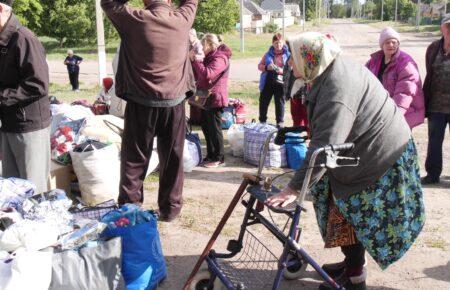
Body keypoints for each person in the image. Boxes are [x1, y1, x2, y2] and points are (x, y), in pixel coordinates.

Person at [267, 32, 425, 290]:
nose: (291, 64)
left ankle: (355, 278)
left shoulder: (337, 84)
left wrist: (293, 188)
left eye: (294, 59)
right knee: (336, 203)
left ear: (310, 58)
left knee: (346, 206)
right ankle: (352, 263)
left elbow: (325, 146)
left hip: (380, 157)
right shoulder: (327, 69)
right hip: (365, 149)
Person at [101, 0, 198, 222]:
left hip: (141, 103)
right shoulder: (182, 19)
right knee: (172, 158)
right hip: (174, 103)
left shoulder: (134, 19)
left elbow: (108, 3)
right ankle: (170, 209)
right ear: (170, 1)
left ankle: (130, 208)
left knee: (134, 159)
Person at [0, 0, 51, 193]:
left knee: (32, 190)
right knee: (12, 190)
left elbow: (38, 84)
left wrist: (2, 98)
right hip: (8, 124)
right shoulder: (3, 39)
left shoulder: (24, 38)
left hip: (29, 127)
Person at [366, 27, 425, 129]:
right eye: (387, 42)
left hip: (402, 113)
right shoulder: (374, 61)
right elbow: (365, 80)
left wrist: (393, 117)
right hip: (382, 111)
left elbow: (405, 93)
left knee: (399, 143)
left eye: (394, 42)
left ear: (398, 44)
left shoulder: (406, 63)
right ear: (382, 45)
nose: (391, 45)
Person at [190, 33, 232, 168]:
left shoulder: (220, 57)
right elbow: (199, 74)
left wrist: (197, 61)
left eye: (203, 45)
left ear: (209, 44)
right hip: (206, 98)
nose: (201, 48)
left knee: (215, 129)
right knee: (206, 128)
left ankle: (219, 157)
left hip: (216, 98)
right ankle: (211, 155)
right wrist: (193, 61)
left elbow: (208, 74)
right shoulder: (210, 56)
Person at [421, 14, 450, 185]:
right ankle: (432, 174)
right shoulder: (433, 48)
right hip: (436, 106)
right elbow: (429, 73)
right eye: (448, 26)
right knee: (434, 141)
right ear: (442, 28)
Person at [258, 33, 290, 128]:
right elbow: (259, 66)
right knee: (263, 101)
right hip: (268, 81)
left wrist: (282, 71)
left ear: (283, 43)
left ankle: (280, 122)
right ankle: (262, 121)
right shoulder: (267, 54)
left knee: (279, 102)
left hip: (281, 82)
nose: (278, 45)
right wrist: (267, 67)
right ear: (272, 43)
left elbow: (291, 69)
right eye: (276, 43)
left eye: (280, 43)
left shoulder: (288, 55)